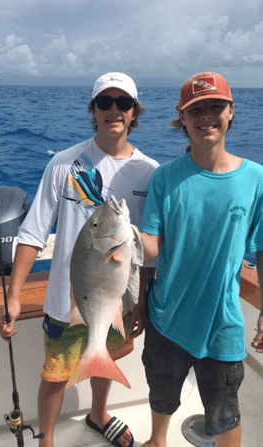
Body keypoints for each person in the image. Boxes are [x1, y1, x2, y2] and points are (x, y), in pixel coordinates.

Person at [0, 72, 158, 447]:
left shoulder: (150, 172)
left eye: (124, 103)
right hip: (64, 301)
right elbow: (33, 232)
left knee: (106, 353)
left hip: (119, 296)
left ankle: (99, 414)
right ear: (93, 109)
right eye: (105, 102)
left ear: (135, 112)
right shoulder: (64, 163)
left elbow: (150, 246)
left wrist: (145, 300)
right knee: (55, 374)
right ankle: (47, 439)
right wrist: (16, 295)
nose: (114, 110)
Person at [139, 72, 263, 447]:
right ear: (182, 117)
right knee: (160, 397)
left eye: (215, 106)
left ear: (231, 112)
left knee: (225, 414)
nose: (205, 116)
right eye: (196, 109)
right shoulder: (164, 178)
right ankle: (157, 441)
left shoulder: (256, 179)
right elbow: (150, 248)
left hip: (221, 324)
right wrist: (121, 239)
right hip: (165, 316)